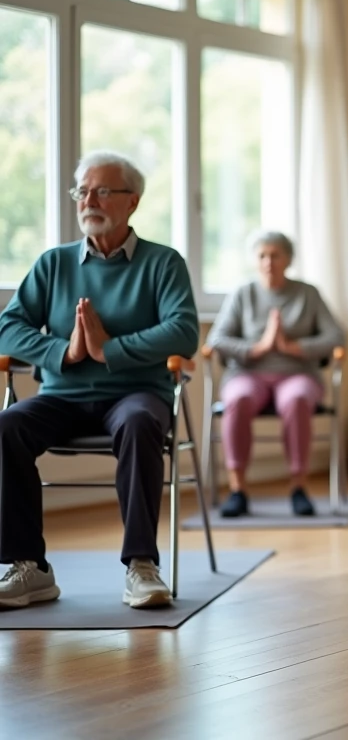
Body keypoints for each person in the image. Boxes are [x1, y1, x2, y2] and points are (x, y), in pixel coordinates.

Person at [0, 151, 199, 610]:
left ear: (132, 202)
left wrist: (109, 349)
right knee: (6, 426)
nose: (89, 200)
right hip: (62, 397)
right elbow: (8, 326)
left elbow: (184, 332)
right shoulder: (54, 264)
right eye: (83, 191)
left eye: (103, 191)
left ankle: (141, 566)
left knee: (139, 424)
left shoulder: (163, 264)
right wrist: (63, 352)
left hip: (134, 395)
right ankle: (29, 567)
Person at [205, 231, 346, 518]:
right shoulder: (243, 294)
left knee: (296, 400)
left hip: (298, 374)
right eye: (262, 256)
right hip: (248, 374)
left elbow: (336, 338)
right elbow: (216, 340)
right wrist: (258, 348)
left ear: (288, 259)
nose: (268, 261)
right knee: (239, 398)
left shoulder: (308, 293)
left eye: (275, 255)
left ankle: (298, 487)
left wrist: (291, 346)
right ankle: (238, 489)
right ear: (255, 261)